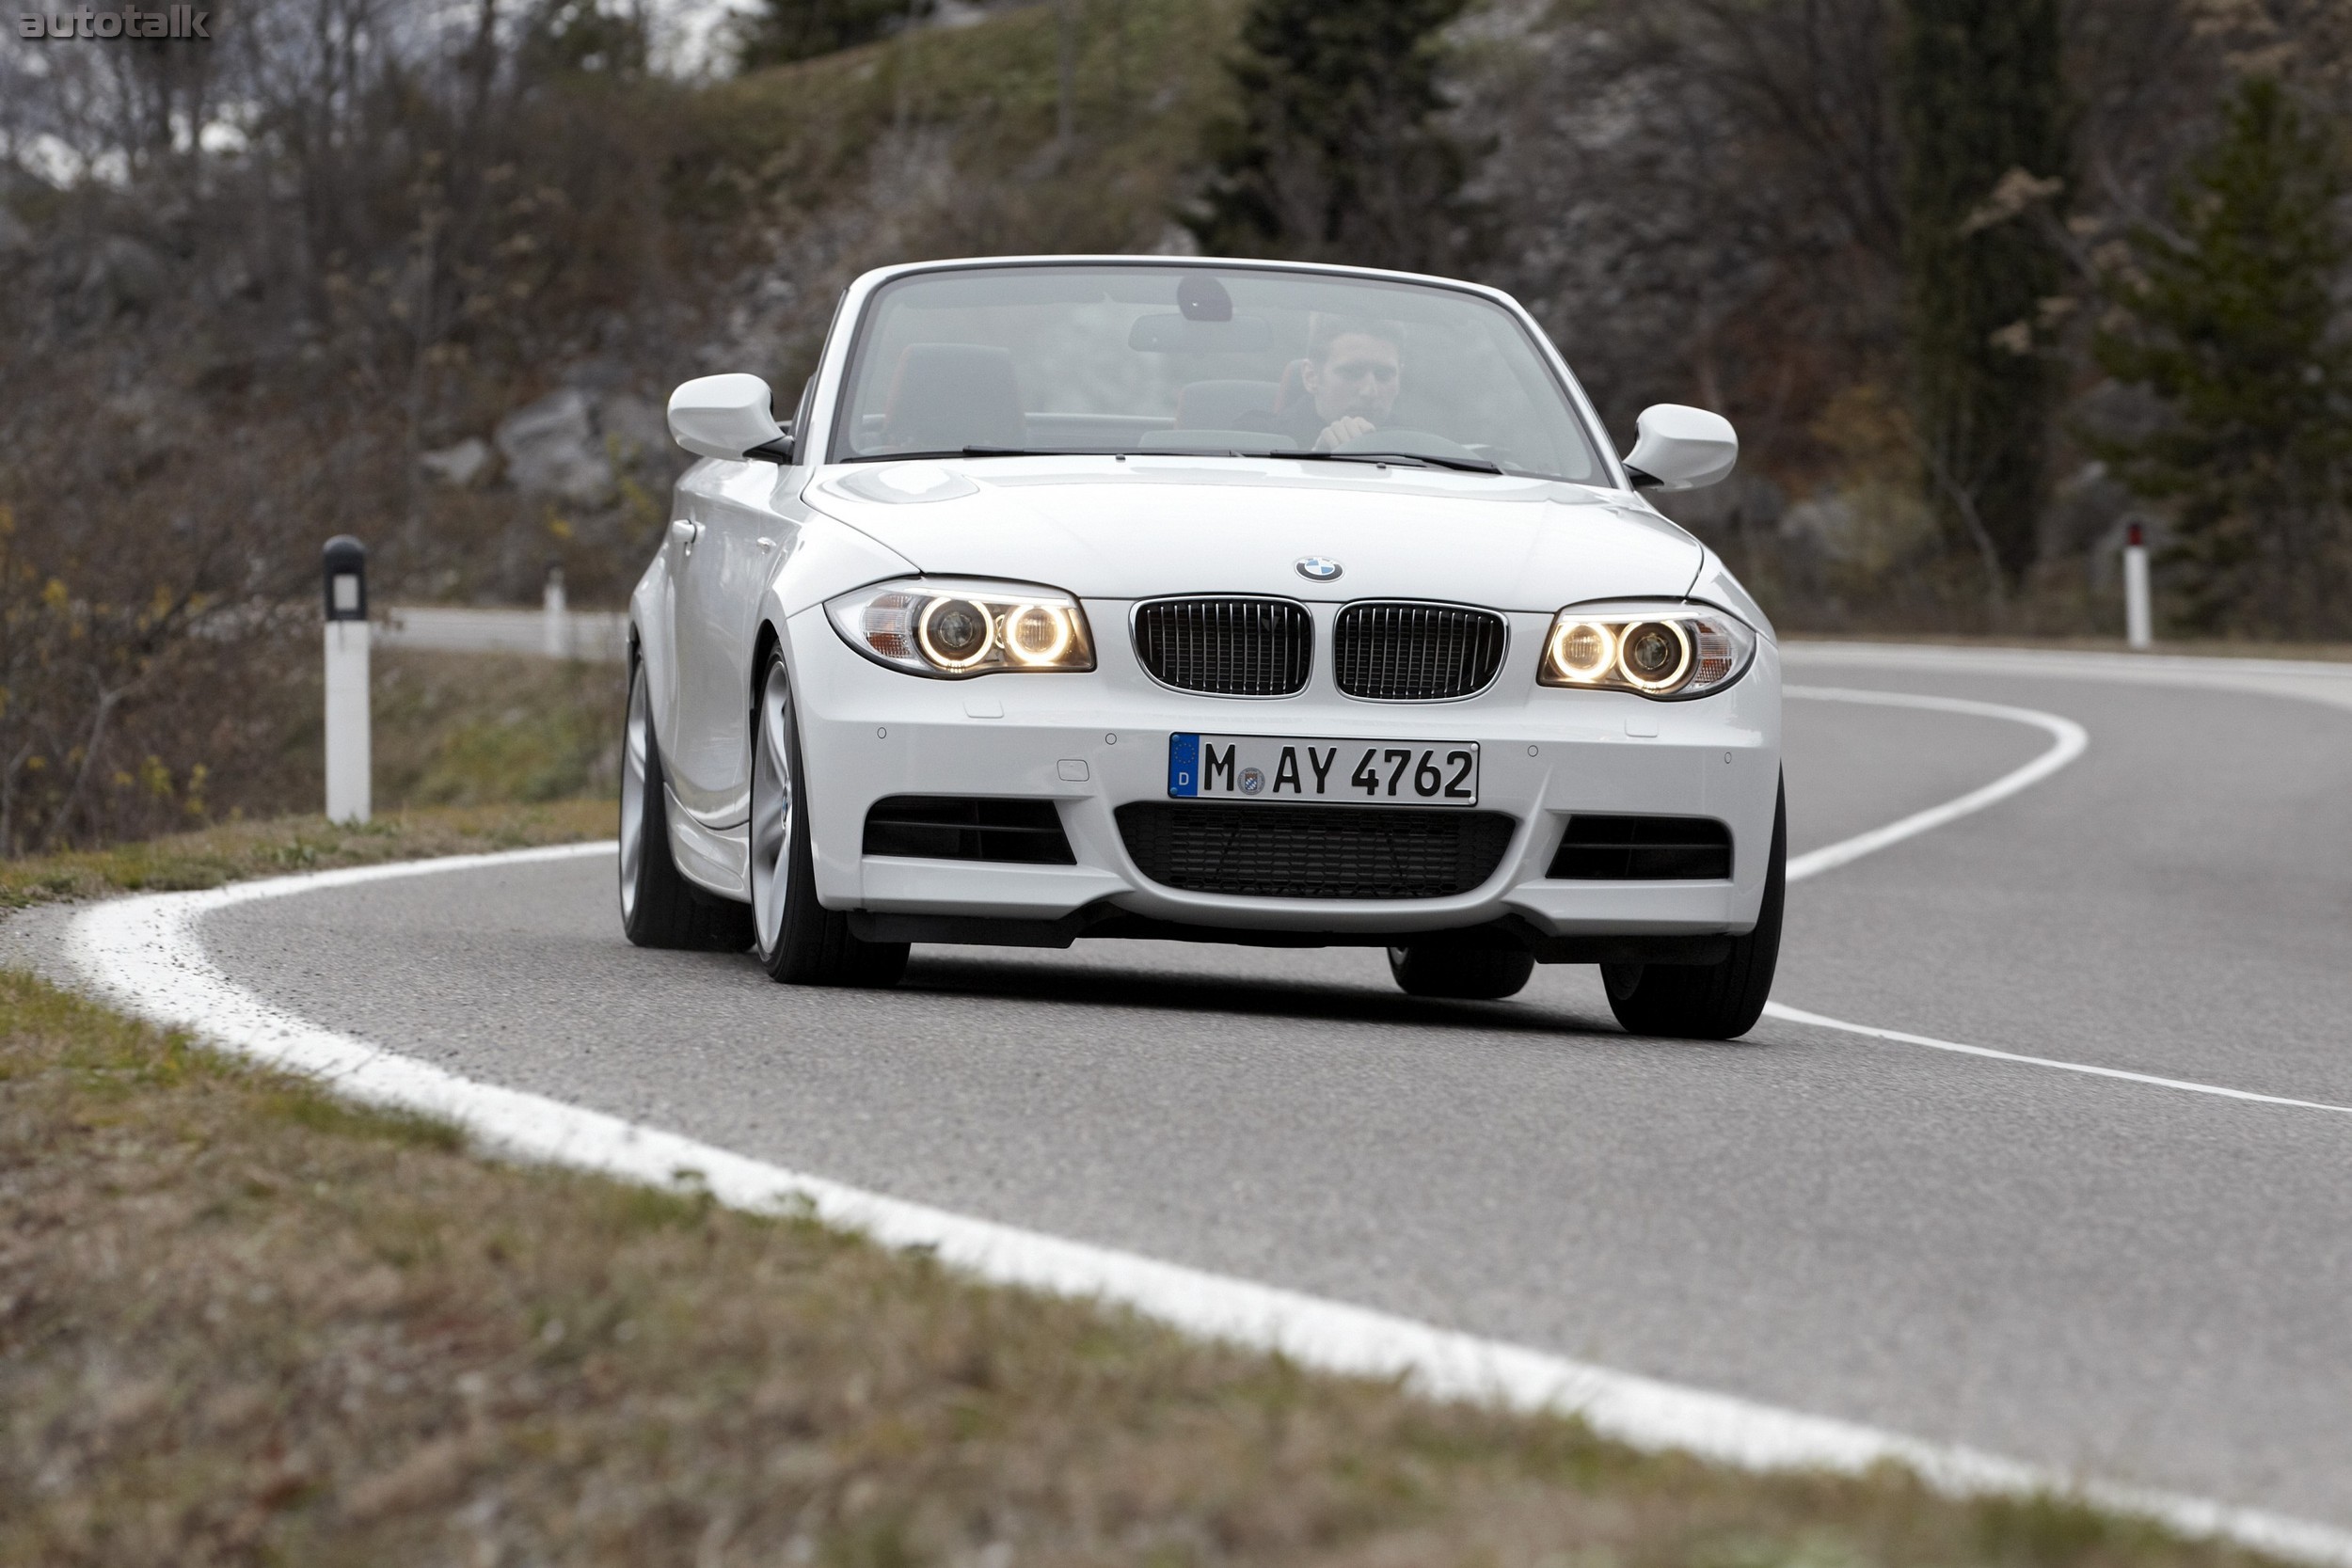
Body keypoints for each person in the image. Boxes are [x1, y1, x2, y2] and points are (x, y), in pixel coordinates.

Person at [1240, 315, 1404, 451]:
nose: (1369, 391)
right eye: (1352, 373)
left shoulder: (1417, 449)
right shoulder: (1254, 442)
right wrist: (1314, 460)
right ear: (1311, 377)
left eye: (1384, 375)